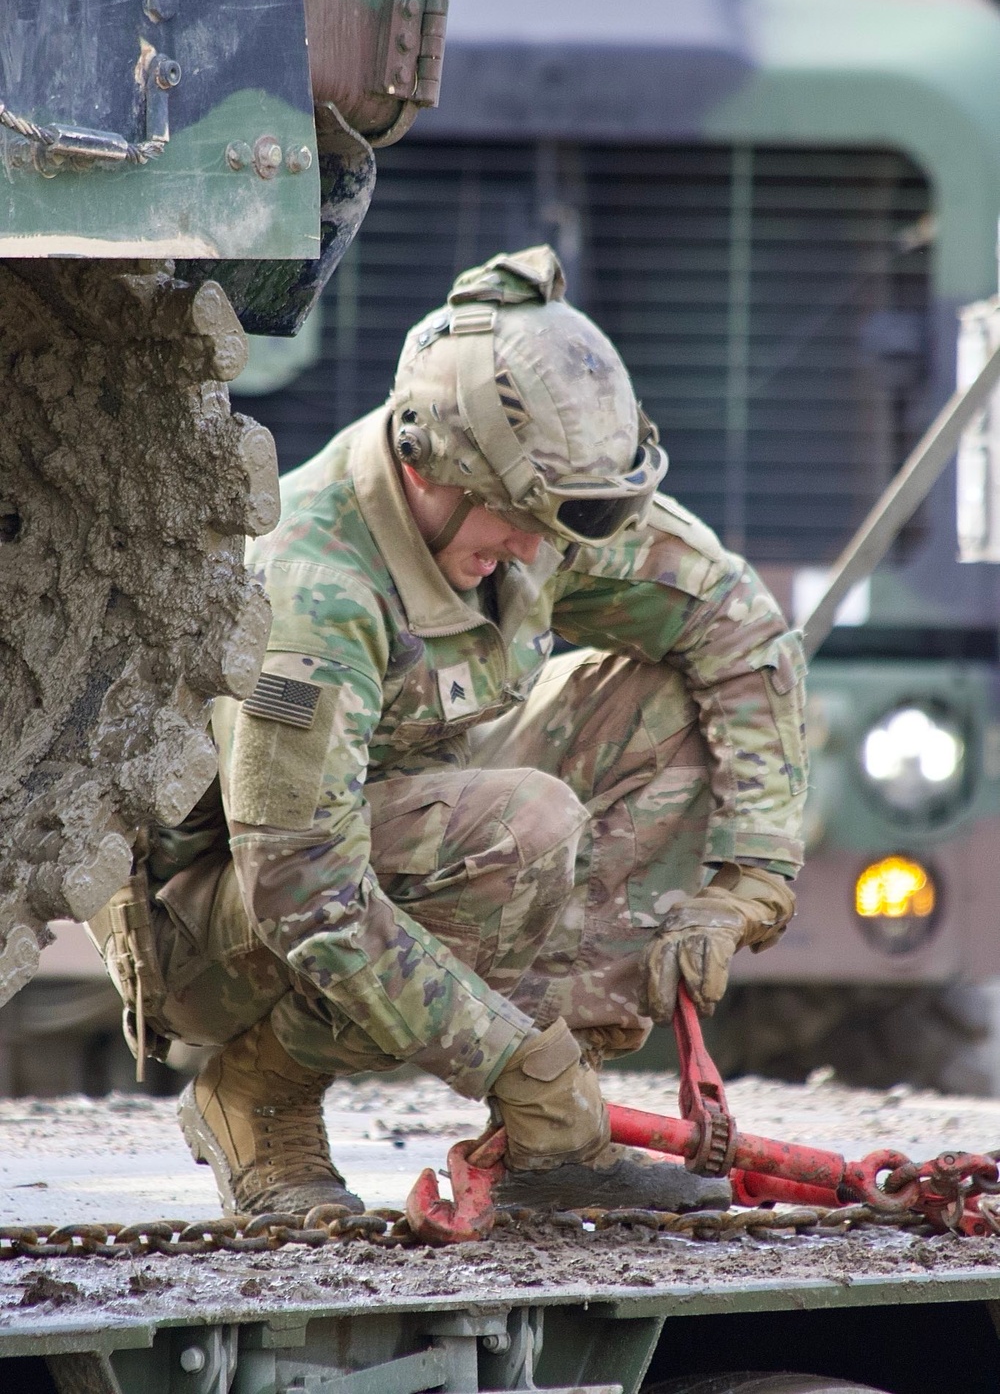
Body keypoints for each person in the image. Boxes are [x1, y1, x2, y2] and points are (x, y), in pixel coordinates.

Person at [89, 246, 807, 1217]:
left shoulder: (530, 517)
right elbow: (304, 888)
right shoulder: (312, 591)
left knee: (658, 708)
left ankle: (552, 1127)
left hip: (407, 825)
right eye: (516, 522)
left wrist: (747, 882)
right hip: (220, 922)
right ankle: (257, 1094)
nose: (531, 552)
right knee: (523, 829)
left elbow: (736, 628)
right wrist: (507, 1051)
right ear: (423, 462)